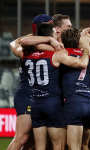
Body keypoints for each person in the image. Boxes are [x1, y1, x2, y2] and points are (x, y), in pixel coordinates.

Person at [19, 23, 90, 150]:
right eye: (54, 33)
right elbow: (80, 63)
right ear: (49, 35)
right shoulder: (56, 54)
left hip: (35, 103)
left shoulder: (25, 53)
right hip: (53, 104)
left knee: (40, 147)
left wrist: (47, 39)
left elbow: (21, 41)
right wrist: (85, 53)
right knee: (58, 146)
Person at [7, 14, 54, 150]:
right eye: (50, 26)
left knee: (31, 142)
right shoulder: (30, 49)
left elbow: (13, 43)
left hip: (37, 97)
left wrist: (30, 36)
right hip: (28, 95)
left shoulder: (25, 48)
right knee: (21, 138)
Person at [60, 28, 90, 150]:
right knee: (85, 146)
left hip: (74, 102)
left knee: (73, 147)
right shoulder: (88, 56)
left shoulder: (63, 54)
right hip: (89, 103)